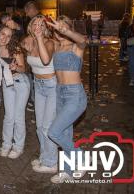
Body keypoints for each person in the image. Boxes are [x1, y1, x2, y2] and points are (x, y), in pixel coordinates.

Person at [42, 15, 87, 183]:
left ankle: (80, 157)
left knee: (54, 132)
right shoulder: (57, 45)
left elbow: (83, 40)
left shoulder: (76, 46)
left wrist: (66, 30)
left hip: (75, 95)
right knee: (65, 134)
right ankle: (68, 170)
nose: (58, 30)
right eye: (56, 27)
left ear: (68, 27)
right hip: (59, 92)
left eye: (62, 27)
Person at [23, 16, 58, 173]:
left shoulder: (49, 42)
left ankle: (51, 163)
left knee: (47, 127)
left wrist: (38, 38)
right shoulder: (31, 43)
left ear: (45, 28)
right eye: (34, 24)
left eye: (41, 24)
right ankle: (45, 157)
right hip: (38, 85)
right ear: (30, 27)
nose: (37, 26)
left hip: (51, 86)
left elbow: (45, 60)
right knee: (39, 126)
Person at [0, 26, 29, 159]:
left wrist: (16, 67)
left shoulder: (15, 49)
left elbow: (23, 69)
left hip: (20, 83)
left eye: (8, 36)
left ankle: (18, 147)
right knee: (8, 117)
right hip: (6, 84)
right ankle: (6, 144)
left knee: (18, 117)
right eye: (2, 34)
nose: (4, 38)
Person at [23, 1, 40, 112]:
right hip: (32, 54)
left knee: (34, 78)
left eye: (27, 11)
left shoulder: (38, 20)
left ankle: (34, 100)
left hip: (37, 55)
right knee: (31, 77)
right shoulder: (32, 19)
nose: (26, 14)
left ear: (32, 9)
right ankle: (34, 99)